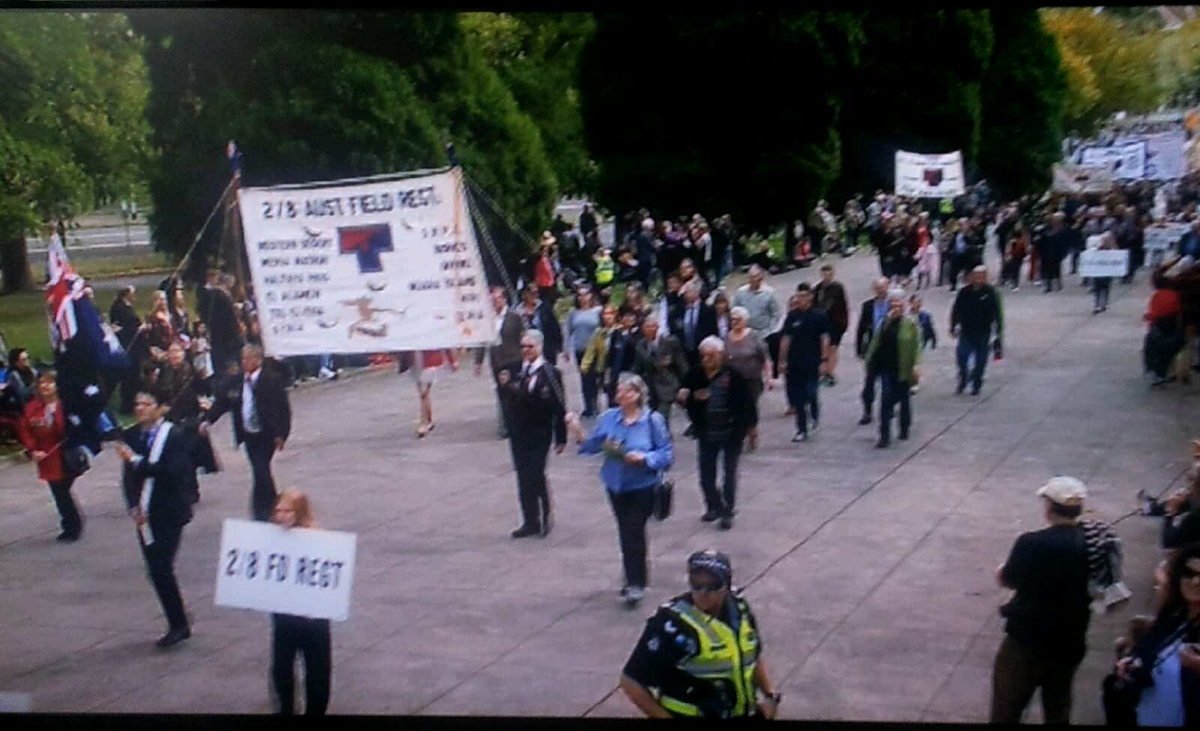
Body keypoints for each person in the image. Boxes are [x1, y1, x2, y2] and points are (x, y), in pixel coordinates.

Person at [619, 550, 780, 719]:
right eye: (696, 584)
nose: (703, 592)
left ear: (727, 585)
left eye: (713, 585)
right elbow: (630, 681)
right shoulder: (671, 623)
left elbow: (753, 654)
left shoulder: (740, 609)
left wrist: (770, 697)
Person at [990, 476, 1092, 724]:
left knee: (1007, 707)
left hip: (1027, 640)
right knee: (1058, 707)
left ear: (1049, 507)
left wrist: (1002, 570)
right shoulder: (1092, 542)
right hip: (1070, 640)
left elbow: (1009, 579)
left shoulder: (1031, 542)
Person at [566, 374, 673, 608]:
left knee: (634, 530)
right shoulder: (609, 418)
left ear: (637, 395)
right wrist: (576, 429)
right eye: (618, 390)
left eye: (626, 391)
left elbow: (666, 453)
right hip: (615, 485)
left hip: (642, 485)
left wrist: (645, 458)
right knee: (625, 531)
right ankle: (632, 575)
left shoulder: (652, 420)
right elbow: (592, 445)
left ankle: (636, 582)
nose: (620, 395)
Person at [113, 388, 196, 649]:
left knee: (161, 567)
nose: (140, 409)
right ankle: (177, 616)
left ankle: (178, 624)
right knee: (155, 570)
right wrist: (132, 507)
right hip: (144, 514)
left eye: (146, 404)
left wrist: (137, 461)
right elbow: (128, 477)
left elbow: (172, 472)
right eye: (137, 404)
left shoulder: (173, 435)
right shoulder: (131, 436)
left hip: (169, 510)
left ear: (160, 408)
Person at [1106, 543, 1200, 726]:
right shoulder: (1173, 618)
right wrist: (1131, 661)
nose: (1196, 582)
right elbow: (1149, 657)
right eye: (1189, 573)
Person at [201, 344, 292, 521]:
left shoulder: (271, 380)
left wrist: (282, 434)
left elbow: (284, 409)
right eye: (243, 358)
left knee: (261, 469)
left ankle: (262, 508)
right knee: (260, 470)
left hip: (267, 433)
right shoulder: (237, 382)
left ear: (258, 360)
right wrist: (208, 420)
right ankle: (270, 505)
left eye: (249, 358)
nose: (245, 362)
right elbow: (222, 402)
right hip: (248, 434)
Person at [679, 337, 757, 530]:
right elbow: (685, 394)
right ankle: (714, 505)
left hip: (731, 431)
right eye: (703, 356)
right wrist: (688, 397)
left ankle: (727, 510)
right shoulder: (695, 374)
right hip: (706, 430)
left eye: (711, 356)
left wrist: (751, 427)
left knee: (729, 472)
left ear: (721, 355)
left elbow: (747, 403)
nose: (707, 360)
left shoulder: (732, 375)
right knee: (706, 474)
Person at [497, 330, 566, 539]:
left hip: (539, 431)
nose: (526, 351)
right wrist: (504, 386)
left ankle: (545, 515)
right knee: (523, 476)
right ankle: (529, 520)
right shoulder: (517, 370)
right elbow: (508, 399)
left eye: (530, 346)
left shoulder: (550, 372)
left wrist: (561, 436)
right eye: (523, 346)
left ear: (539, 347)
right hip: (519, 431)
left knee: (536, 474)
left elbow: (559, 405)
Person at [269, 490, 333, 715]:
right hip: (285, 615)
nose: (281, 516)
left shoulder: (317, 537)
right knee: (281, 667)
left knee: (317, 669)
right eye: (278, 510)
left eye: (287, 511)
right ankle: (285, 707)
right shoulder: (271, 537)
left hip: (313, 618)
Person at [17, 371, 83, 542]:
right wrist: (33, 449)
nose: (45, 386)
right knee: (60, 492)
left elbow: (74, 428)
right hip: (47, 457)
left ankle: (72, 524)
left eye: (49, 382)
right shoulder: (32, 408)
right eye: (41, 383)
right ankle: (71, 524)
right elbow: (25, 430)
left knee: (62, 492)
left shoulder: (67, 404)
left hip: (66, 453)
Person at [865, 289, 920, 448]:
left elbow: (917, 346)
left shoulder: (910, 324)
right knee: (886, 400)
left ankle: (904, 427)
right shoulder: (885, 322)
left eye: (898, 305)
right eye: (892, 305)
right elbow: (876, 342)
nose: (895, 308)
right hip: (886, 367)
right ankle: (884, 435)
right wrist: (869, 360)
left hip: (903, 367)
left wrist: (915, 364)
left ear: (904, 306)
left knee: (903, 398)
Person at [778, 283, 830, 444]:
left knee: (811, 392)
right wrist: (782, 360)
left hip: (812, 360)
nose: (800, 299)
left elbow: (824, 338)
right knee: (798, 397)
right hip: (795, 362)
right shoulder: (792, 316)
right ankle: (801, 429)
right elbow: (786, 339)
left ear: (810, 297)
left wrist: (824, 359)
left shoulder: (819, 316)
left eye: (804, 296)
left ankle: (814, 412)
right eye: (798, 296)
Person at [950, 266, 1004, 396]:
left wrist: (998, 331)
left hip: (983, 332)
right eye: (976, 276)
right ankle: (963, 378)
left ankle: (976, 384)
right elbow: (956, 310)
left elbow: (996, 312)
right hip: (966, 331)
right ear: (971, 277)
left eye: (982, 276)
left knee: (981, 361)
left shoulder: (990, 292)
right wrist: (953, 326)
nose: (978, 279)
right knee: (961, 357)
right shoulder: (964, 292)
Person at [724, 306, 770, 451]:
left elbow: (765, 358)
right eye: (732, 319)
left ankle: (752, 433)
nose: (735, 322)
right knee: (736, 408)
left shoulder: (754, 336)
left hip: (752, 379)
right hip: (733, 380)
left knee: (750, 407)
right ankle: (740, 434)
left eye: (738, 319)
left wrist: (769, 378)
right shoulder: (726, 338)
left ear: (745, 321)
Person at [633, 317, 687, 428]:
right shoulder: (640, 346)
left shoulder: (670, 342)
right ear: (643, 329)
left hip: (667, 385)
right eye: (647, 327)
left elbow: (682, 363)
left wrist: (685, 385)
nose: (650, 329)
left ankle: (664, 438)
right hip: (650, 387)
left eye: (652, 326)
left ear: (657, 327)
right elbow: (637, 367)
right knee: (652, 417)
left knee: (662, 417)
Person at [855, 278, 889, 424]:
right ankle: (867, 411)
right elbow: (861, 328)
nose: (881, 291)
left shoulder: (894, 305)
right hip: (872, 350)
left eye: (883, 288)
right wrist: (859, 348)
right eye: (878, 288)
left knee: (888, 384)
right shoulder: (868, 306)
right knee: (869, 382)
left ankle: (888, 408)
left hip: (889, 350)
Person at [566, 287, 603, 417]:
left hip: (595, 350)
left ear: (590, 296)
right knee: (584, 378)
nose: (583, 297)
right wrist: (566, 349)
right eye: (580, 295)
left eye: (585, 294)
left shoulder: (598, 311)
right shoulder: (573, 313)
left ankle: (595, 403)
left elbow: (603, 329)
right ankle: (587, 405)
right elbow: (568, 331)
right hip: (580, 350)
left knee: (594, 378)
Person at [1145, 271, 1185, 387]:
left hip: (1159, 326)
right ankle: (1163, 373)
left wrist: (1149, 319)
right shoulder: (1174, 294)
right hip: (1171, 325)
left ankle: (1156, 373)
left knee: (1154, 349)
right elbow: (1178, 311)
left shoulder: (1157, 295)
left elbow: (1154, 313)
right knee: (1167, 350)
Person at [408, 348, 459, 438]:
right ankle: (429, 420)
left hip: (430, 363)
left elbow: (442, 342)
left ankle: (423, 423)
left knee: (424, 393)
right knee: (423, 394)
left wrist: (452, 360)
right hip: (415, 361)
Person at [812, 264, 849, 386]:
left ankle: (830, 372)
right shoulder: (817, 288)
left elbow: (840, 305)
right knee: (823, 348)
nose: (826, 276)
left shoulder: (837, 288)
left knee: (833, 348)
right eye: (824, 274)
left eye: (829, 273)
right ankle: (823, 370)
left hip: (835, 322)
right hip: (821, 323)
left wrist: (844, 322)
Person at [580, 303, 618, 415]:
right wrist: (584, 366)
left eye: (610, 313)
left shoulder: (619, 331)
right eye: (605, 314)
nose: (608, 316)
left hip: (618, 367)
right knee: (604, 391)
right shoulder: (599, 333)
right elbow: (590, 350)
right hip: (603, 367)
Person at [517, 284, 564, 365]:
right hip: (527, 353)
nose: (536, 296)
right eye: (532, 293)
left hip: (546, 350)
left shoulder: (544, 308)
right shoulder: (517, 312)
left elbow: (554, 327)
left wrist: (558, 346)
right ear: (524, 295)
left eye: (537, 293)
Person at [676, 280, 718, 370]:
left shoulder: (708, 309)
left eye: (690, 291)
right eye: (685, 293)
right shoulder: (680, 310)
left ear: (696, 292)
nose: (687, 295)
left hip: (704, 350)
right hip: (687, 352)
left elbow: (713, 330)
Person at [604, 307, 642, 404]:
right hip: (616, 375)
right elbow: (610, 356)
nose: (630, 318)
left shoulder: (639, 334)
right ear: (620, 318)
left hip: (632, 375)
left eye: (632, 316)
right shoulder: (616, 334)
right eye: (627, 316)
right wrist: (608, 376)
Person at [731, 265, 780, 338]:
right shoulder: (740, 292)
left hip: (764, 333)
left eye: (756, 276)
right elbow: (734, 311)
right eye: (751, 276)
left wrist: (770, 331)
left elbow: (775, 315)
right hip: (745, 334)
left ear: (761, 277)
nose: (753, 279)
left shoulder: (770, 293)